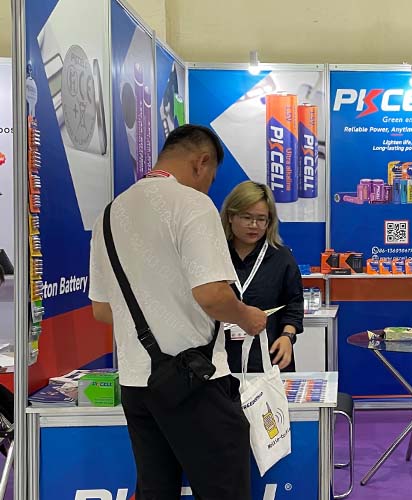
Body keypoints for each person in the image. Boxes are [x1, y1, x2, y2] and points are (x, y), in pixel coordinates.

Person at [88, 124, 267, 500]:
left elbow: (102, 310)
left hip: (137, 383)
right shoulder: (193, 205)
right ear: (202, 162)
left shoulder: (109, 214)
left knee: (156, 490)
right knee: (224, 491)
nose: (208, 188)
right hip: (196, 383)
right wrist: (246, 316)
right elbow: (212, 295)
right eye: (211, 178)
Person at [221, 181, 303, 372]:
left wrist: (287, 337)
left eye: (261, 219)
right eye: (247, 217)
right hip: (221, 360)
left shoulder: (282, 257)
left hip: (269, 357)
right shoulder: (214, 255)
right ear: (231, 216)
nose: (254, 225)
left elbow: (294, 304)